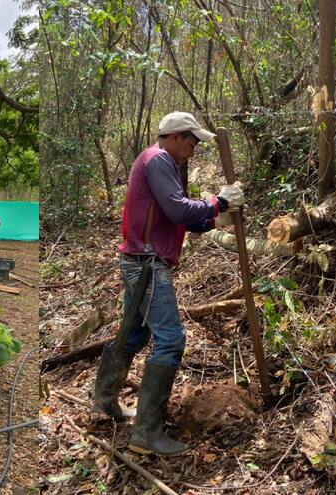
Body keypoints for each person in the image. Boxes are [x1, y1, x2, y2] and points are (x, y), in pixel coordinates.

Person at [91, 111, 244, 456]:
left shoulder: (163, 164)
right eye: (191, 139)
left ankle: (103, 403)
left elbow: (178, 218)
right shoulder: (158, 159)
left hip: (140, 261)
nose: (193, 146)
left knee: (134, 332)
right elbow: (178, 210)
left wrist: (214, 215)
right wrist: (218, 201)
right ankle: (147, 433)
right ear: (174, 135)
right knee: (171, 340)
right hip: (147, 264)